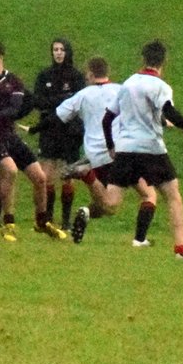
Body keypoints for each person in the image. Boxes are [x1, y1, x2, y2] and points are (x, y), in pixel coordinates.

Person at [99, 39, 183, 258]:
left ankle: (88, 180)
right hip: (151, 149)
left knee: (111, 202)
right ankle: (181, 250)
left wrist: (111, 146)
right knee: (172, 196)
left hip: (126, 149)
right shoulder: (159, 86)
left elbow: (107, 119)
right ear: (164, 61)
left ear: (143, 59)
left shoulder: (128, 84)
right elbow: (169, 112)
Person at [0, 41, 65, 242]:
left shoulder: (13, 81)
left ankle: (42, 221)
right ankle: (8, 224)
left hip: (9, 135)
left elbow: (15, 108)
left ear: (0, 58)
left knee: (40, 177)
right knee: (10, 171)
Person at [57, 55, 121, 244]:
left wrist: (36, 128)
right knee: (118, 203)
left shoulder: (83, 94)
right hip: (117, 152)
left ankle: (86, 211)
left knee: (105, 203)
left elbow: (60, 114)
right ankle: (140, 240)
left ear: (91, 74)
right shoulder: (120, 90)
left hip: (95, 155)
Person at [28, 37, 86, 229]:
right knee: (47, 175)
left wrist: (54, 101)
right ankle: (48, 218)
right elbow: (37, 101)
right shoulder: (44, 75)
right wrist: (63, 99)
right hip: (49, 128)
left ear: (67, 52)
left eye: (61, 49)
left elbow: (78, 101)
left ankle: (66, 221)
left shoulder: (76, 76)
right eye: (55, 50)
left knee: (68, 175)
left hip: (70, 130)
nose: (58, 53)